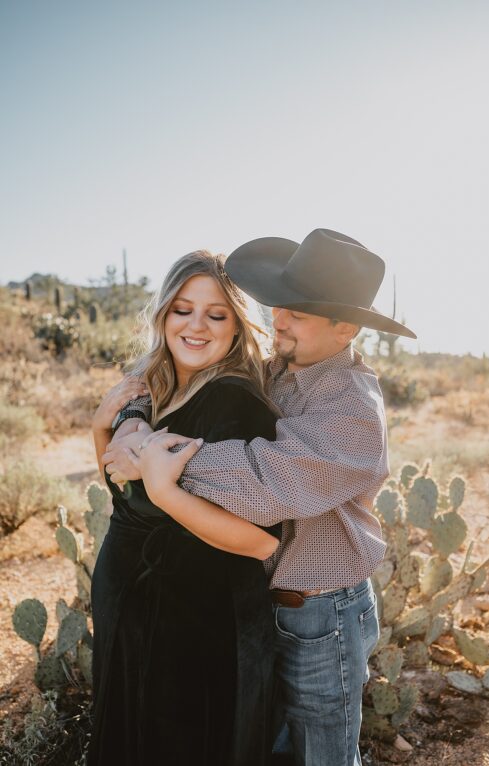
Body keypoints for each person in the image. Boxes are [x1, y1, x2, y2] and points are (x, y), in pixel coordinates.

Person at [103, 228, 416, 765]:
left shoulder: (352, 408)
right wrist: (134, 422)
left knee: (324, 755)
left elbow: (263, 481)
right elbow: (171, 394)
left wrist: (157, 458)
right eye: (280, 306)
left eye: (298, 312)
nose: (279, 319)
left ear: (345, 326)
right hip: (262, 603)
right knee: (269, 747)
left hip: (322, 612)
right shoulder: (281, 369)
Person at [88, 250, 282, 765]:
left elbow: (262, 538)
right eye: (182, 309)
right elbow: (123, 498)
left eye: (216, 315)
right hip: (132, 612)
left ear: (238, 326)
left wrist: (163, 491)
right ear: (163, 314)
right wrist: (101, 429)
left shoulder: (234, 403)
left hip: (193, 623)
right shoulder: (155, 389)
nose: (196, 326)